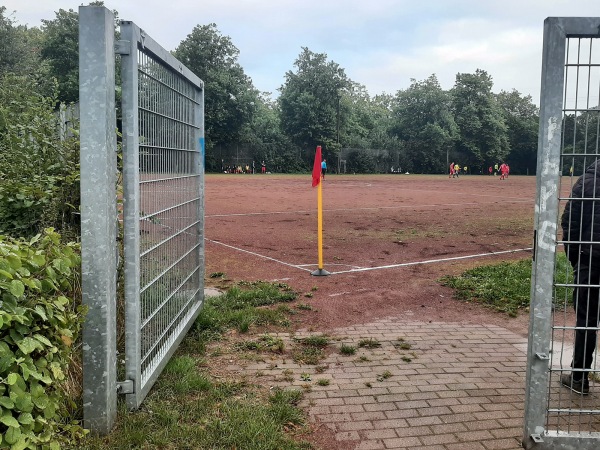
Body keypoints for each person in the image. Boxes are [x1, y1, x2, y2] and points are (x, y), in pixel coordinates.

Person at [561, 160, 600, 395]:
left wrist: (575, 258)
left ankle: (579, 378)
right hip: (589, 258)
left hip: (590, 260)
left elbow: (570, 223)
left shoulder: (586, 182)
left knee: (586, 321)